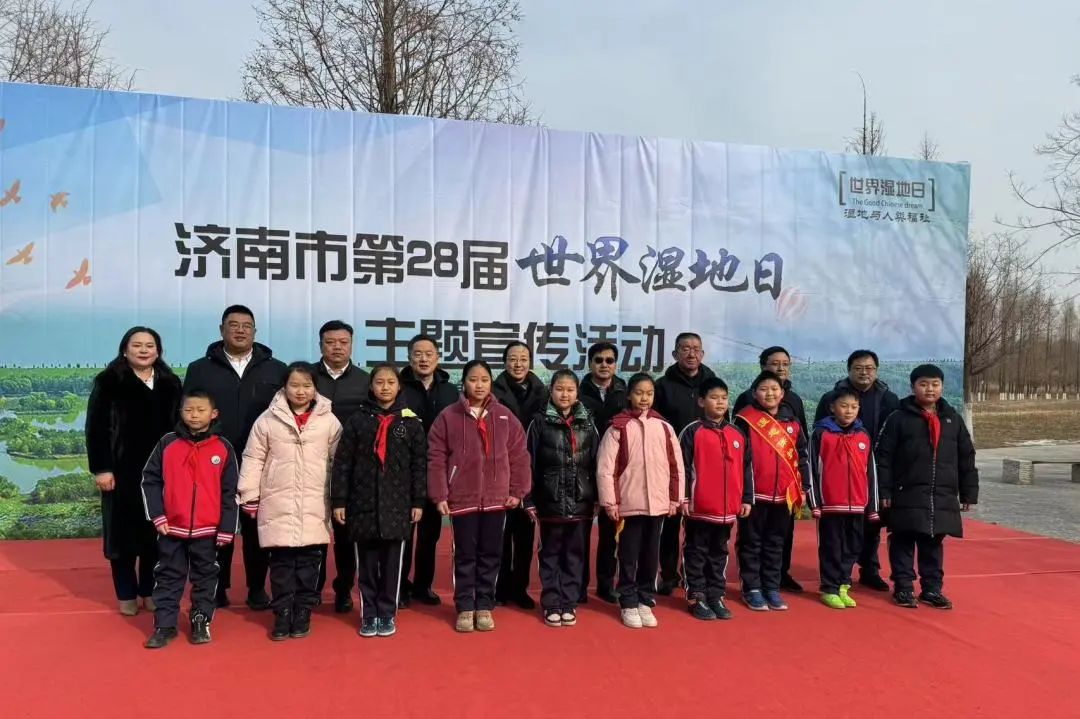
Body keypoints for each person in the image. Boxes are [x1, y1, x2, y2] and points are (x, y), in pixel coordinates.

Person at [183, 304, 286, 610]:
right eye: (234, 325)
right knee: (217, 525)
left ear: (255, 331)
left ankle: (257, 587)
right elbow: (188, 413)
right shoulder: (200, 369)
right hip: (213, 460)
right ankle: (217, 586)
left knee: (256, 527)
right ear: (221, 330)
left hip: (262, 461)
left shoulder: (276, 369)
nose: (240, 330)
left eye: (247, 326)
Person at [238, 363, 342, 640]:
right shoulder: (267, 419)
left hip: (315, 503)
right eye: (294, 385)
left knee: (310, 564)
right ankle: (282, 612)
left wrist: (340, 498)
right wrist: (249, 494)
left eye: (307, 385)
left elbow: (340, 462)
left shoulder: (329, 421)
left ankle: (303, 611)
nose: (300, 391)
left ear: (315, 389)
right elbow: (253, 457)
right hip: (277, 502)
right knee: (281, 565)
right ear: (284, 387)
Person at [427, 360, 531, 633]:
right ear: (464, 382)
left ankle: (484, 604)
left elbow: (519, 456)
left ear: (491, 383)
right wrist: (440, 494)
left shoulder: (505, 416)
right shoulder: (448, 416)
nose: (479, 385)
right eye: (473, 379)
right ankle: (464, 606)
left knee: (491, 554)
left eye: (484, 380)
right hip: (462, 499)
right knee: (464, 555)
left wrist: (517, 490)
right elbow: (436, 457)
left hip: (497, 500)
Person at [86, 327, 183, 616]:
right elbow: (95, 428)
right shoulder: (109, 381)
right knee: (123, 537)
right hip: (121, 472)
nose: (143, 350)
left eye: (149, 345)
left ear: (158, 350)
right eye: (137, 345)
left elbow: (180, 427)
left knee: (156, 534)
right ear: (125, 349)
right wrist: (102, 469)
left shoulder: (170, 383)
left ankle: (149, 591)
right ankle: (126, 593)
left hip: (162, 473)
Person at [331, 364, 426, 638]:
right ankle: (369, 613)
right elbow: (343, 463)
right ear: (371, 386)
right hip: (362, 505)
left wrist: (418, 501)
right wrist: (339, 500)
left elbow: (419, 466)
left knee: (393, 564)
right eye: (379, 382)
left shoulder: (411, 422)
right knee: (367, 565)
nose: (385, 387)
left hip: (398, 506)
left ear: (399, 386)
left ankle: (387, 612)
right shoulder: (357, 420)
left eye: (390, 382)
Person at [140, 390, 240, 648]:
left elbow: (230, 492)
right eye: (188, 410)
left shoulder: (223, 447)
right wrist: (157, 515)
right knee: (168, 577)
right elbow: (150, 480)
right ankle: (165, 626)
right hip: (172, 528)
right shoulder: (167, 443)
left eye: (200, 410)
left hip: (208, 530)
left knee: (205, 577)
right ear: (180, 412)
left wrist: (227, 527)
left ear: (213, 414)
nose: (194, 415)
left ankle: (200, 620)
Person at [876, 364, 978, 610]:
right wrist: (884, 491)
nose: (929, 389)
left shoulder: (953, 419)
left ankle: (932, 589)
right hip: (906, 493)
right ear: (913, 387)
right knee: (903, 541)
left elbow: (966, 457)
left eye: (935, 384)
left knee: (933, 543)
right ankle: (903, 587)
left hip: (941, 495)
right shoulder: (898, 418)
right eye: (923, 384)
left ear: (942, 387)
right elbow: (883, 458)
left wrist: (968, 492)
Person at [597, 373, 685, 629]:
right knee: (628, 555)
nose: (644, 398)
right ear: (629, 395)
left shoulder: (664, 427)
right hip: (629, 505)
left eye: (649, 393)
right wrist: (610, 503)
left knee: (650, 554)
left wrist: (675, 499)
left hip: (657, 505)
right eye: (639, 393)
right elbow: (605, 469)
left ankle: (645, 598)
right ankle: (628, 600)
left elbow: (676, 466)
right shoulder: (618, 427)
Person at [813, 349, 900, 591]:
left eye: (869, 368)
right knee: (836, 533)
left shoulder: (888, 398)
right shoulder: (831, 397)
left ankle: (869, 569)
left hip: (873, 467)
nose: (864, 373)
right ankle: (837, 578)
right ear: (849, 370)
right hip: (838, 474)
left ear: (877, 371)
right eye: (858, 368)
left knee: (871, 523)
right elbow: (819, 434)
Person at [524, 369, 599, 628]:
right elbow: (528, 463)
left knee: (575, 555)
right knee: (550, 554)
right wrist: (528, 498)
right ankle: (551, 602)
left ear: (577, 392)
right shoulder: (539, 422)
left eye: (569, 389)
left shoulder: (588, 422)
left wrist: (597, 497)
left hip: (580, 500)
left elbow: (596, 463)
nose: (564, 394)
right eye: (559, 389)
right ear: (551, 390)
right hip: (550, 501)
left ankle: (569, 602)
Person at [733, 346, 808, 593]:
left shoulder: (793, 409)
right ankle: (752, 587)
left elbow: (801, 451)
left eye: (785, 364)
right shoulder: (746, 411)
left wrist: (803, 485)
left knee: (778, 540)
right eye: (775, 363)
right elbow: (739, 454)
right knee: (752, 541)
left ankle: (774, 583)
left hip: (784, 492)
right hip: (756, 491)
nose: (780, 368)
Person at [678, 377, 751, 621]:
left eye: (724, 398)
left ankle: (716, 595)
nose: (720, 402)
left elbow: (747, 468)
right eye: (713, 397)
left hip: (728, 508)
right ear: (701, 401)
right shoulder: (692, 431)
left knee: (719, 552)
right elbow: (682, 467)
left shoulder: (737, 433)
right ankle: (696, 595)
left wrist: (746, 498)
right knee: (696, 551)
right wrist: (684, 497)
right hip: (699, 506)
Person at [312, 320, 371, 613]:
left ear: (351, 345)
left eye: (343, 342)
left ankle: (344, 588)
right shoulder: (306, 377)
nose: (337, 347)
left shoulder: (365, 381)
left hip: (352, 472)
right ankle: (311, 588)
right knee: (313, 534)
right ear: (320, 344)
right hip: (310, 467)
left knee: (346, 535)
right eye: (330, 342)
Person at [653, 332, 717, 596]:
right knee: (670, 524)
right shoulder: (662, 386)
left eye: (696, 349)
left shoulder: (712, 384)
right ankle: (668, 575)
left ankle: (696, 575)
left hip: (705, 465)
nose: (691, 353)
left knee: (700, 525)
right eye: (685, 348)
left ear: (702, 354)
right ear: (675, 353)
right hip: (671, 466)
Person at [398, 334, 459, 607]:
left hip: (437, 471)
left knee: (430, 535)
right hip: (404, 472)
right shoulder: (398, 387)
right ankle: (400, 587)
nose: (423, 359)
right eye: (417, 354)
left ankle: (424, 585)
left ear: (438, 357)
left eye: (428, 354)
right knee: (403, 533)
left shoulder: (450, 391)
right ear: (409, 358)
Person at [808, 386, 879, 610]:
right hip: (831, 505)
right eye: (844, 406)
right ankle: (829, 588)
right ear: (832, 407)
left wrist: (872, 506)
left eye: (854, 407)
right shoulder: (821, 434)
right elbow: (810, 468)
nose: (849, 411)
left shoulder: (863, 435)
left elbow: (871, 472)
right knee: (832, 547)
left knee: (853, 547)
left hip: (858, 505)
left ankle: (843, 585)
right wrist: (814, 502)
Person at [491, 341, 546, 609]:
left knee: (525, 535)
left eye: (524, 358)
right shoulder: (493, 391)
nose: (518, 364)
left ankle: (520, 588)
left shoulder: (542, 392)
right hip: (500, 470)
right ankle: (500, 587)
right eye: (513, 358)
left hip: (531, 472)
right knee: (501, 535)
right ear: (505, 362)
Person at [578, 341, 627, 604]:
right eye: (599, 360)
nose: (604, 365)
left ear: (616, 364)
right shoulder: (577, 393)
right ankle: (579, 585)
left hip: (615, 473)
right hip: (583, 471)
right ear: (590, 363)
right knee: (581, 534)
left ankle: (606, 585)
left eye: (609, 360)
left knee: (611, 534)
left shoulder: (625, 394)